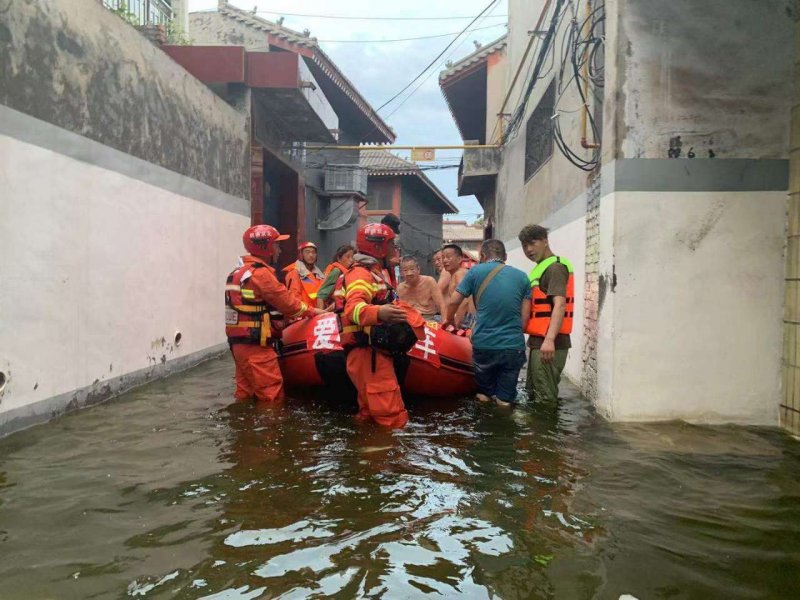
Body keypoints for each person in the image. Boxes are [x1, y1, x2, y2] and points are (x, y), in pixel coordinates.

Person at [336, 223, 423, 428]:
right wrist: (380, 312)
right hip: (369, 355)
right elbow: (353, 309)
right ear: (378, 247)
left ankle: (367, 454)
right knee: (390, 415)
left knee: (369, 412)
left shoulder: (373, 272)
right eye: (391, 244)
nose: (394, 249)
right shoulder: (362, 274)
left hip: (369, 353)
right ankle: (385, 458)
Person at [225, 225, 323, 402]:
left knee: (246, 393)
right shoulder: (260, 274)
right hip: (256, 346)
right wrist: (313, 311)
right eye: (276, 245)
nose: (278, 249)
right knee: (272, 395)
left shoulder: (238, 272)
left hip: (239, 343)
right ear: (266, 247)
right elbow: (287, 302)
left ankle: (243, 428)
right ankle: (270, 429)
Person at [443, 239, 530, 407]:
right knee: (505, 400)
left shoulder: (474, 273)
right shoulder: (523, 277)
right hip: (513, 346)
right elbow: (524, 321)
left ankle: (485, 427)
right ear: (505, 256)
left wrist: (448, 320)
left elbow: (454, 301)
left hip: (484, 344)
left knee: (484, 395)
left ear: (482, 256)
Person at [518, 224, 574, 403]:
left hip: (550, 343)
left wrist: (549, 340)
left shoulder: (555, 268)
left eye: (532, 243)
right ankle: (538, 430)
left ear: (545, 241)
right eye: (524, 246)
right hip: (539, 342)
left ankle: (548, 430)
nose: (528, 250)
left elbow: (560, 305)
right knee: (534, 394)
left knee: (545, 398)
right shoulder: (541, 268)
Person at [396, 256, 447, 320]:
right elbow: (401, 309)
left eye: (412, 269)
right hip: (409, 321)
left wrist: (444, 321)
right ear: (401, 273)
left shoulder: (429, 281)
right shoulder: (400, 288)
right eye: (405, 270)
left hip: (429, 319)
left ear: (418, 269)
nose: (409, 273)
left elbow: (441, 305)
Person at [440, 243, 475, 329]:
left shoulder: (460, 274)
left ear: (459, 259)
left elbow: (464, 301)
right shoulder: (454, 275)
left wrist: (455, 324)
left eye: (448, 257)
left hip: (468, 319)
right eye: (443, 257)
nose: (444, 260)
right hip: (464, 317)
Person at [284, 241, 325, 308]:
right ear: (301, 255)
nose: (311, 255)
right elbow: (295, 298)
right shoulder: (294, 273)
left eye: (313, 252)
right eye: (307, 252)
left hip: (317, 313)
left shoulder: (319, 275)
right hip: (303, 314)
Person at [316, 244, 355, 309]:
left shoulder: (349, 272)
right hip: (333, 311)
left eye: (352, 257)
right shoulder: (336, 271)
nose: (351, 260)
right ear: (339, 259)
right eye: (348, 257)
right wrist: (321, 313)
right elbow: (321, 295)